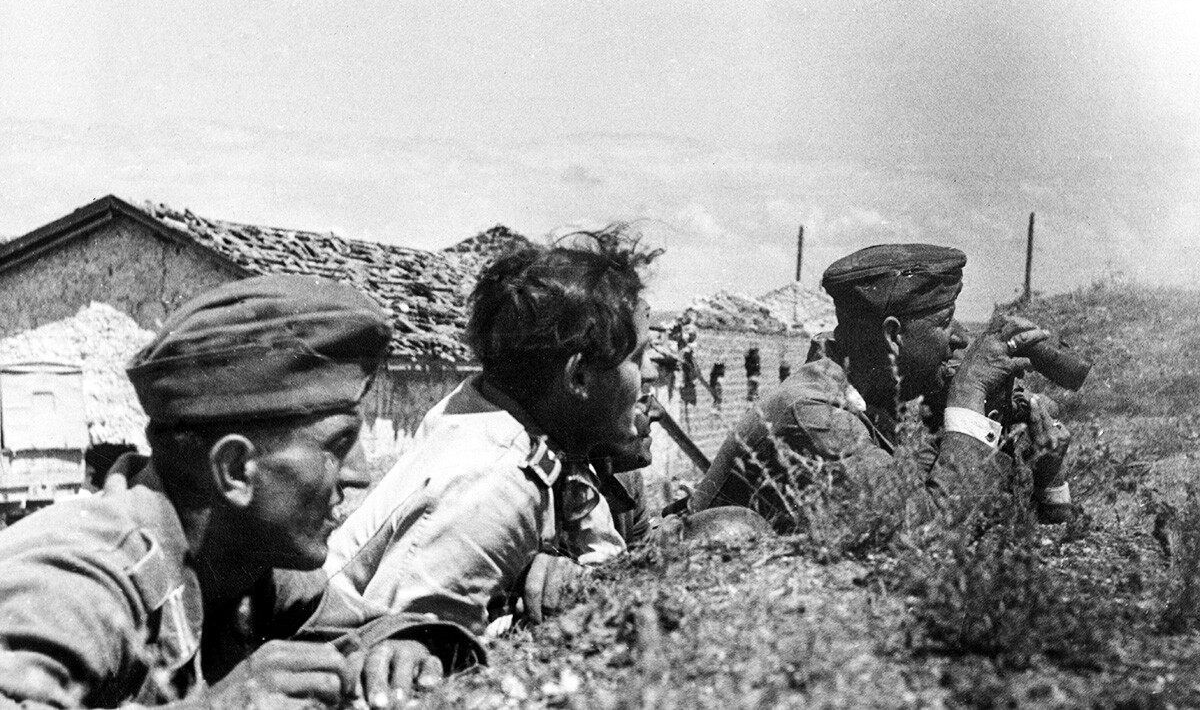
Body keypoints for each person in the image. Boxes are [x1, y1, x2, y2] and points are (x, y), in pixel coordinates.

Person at [0, 275, 479, 709]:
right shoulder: (79, 583)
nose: (360, 474)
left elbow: (357, 624)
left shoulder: (247, 559)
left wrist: (406, 648)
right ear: (234, 470)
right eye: (338, 445)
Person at [307, 228, 661, 638]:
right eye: (639, 356)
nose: (651, 372)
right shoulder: (496, 480)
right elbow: (412, 650)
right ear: (578, 376)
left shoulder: (519, 424)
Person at [689, 243, 1075, 530]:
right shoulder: (814, 415)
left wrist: (1044, 473)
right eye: (944, 323)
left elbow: (974, 517)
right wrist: (968, 395)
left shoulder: (873, 397)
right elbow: (925, 532)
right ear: (892, 336)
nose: (960, 338)